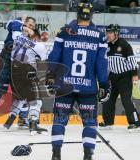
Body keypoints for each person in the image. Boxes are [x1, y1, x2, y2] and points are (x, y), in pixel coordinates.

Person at [47, 2, 110, 160]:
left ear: (77, 14)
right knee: (89, 123)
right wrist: (104, 84)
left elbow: (55, 56)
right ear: (91, 15)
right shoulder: (99, 36)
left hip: (64, 86)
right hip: (87, 88)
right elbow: (101, 64)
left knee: (59, 120)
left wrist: (50, 76)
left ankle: (56, 154)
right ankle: (88, 155)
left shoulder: (63, 32)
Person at [0, 17, 36, 128]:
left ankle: (22, 119)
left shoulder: (32, 39)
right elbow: (10, 24)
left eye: (33, 27)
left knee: (22, 93)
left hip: (19, 66)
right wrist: (24, 27)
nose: (31, 28)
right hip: (5, 62)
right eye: (29, 25)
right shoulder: (16, 25)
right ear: (24, 23)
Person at [3, 29, 48, 135]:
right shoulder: (39, 45)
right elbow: (44, 60)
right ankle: (33, 124)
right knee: (36, 100)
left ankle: (10, 120)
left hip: (13, 72)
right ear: (36, 37)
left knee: (20, 97)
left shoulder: (18, 36)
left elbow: (17, 27)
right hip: (27, 71)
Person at [99, 24, 140, 131]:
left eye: (110, 33)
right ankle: (108, 122)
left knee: (126, 100)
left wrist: (135, 76)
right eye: (107, 33)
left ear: (116, 33)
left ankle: (135, 122)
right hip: (113, 76)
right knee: (108, 99)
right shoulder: (107, 45)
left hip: (125, 77)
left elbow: (132, 61)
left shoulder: (124, 45)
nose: (108, 35)